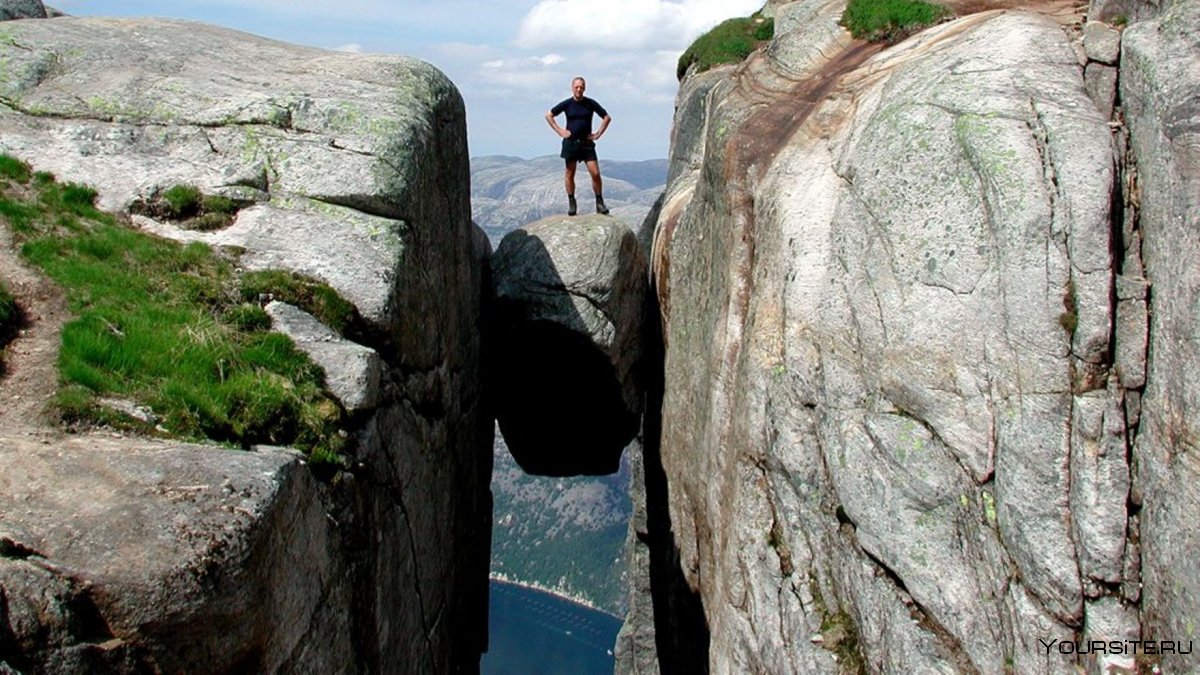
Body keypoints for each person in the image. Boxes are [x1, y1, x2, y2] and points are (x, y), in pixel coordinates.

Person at [545, 76, 612, 216]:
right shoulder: (567, 104)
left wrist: (598, 134)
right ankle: (572, 203)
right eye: (576, 87)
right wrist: (559, 131)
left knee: (595, 173)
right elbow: (549, 115)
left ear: (584, 88)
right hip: (571, 143)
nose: (579, 89)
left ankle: (599, 202)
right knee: (570, 174)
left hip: (587, 144)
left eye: (581, 87)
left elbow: (607, 117)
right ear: (572, 88)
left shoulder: (591, 103)